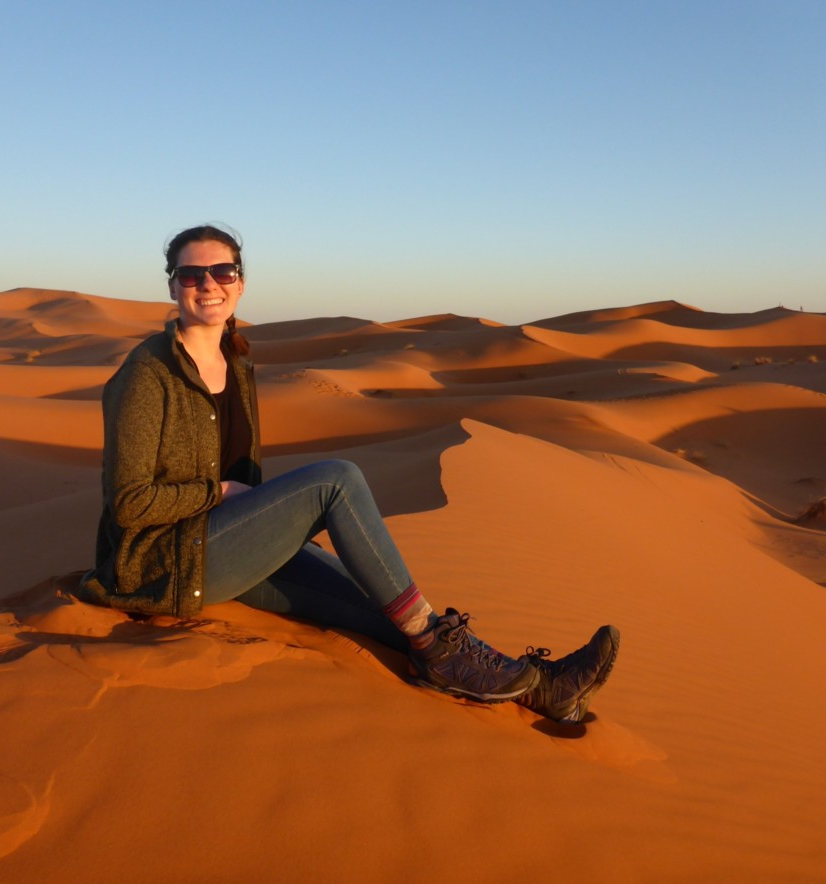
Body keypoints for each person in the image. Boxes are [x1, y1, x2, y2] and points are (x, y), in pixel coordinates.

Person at [78, 224, 619, 721]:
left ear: (241, 284)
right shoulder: (147, 375)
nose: (209, 284)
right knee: (336, 478)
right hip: (168, 564)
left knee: (388, 612)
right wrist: (217, 491)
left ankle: (542, 690)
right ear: (173, 287)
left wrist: (251, 515)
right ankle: (457, 661)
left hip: (224, 542)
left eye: (223, 272)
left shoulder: (237, 364)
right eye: (192, 274)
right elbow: (129, 504)